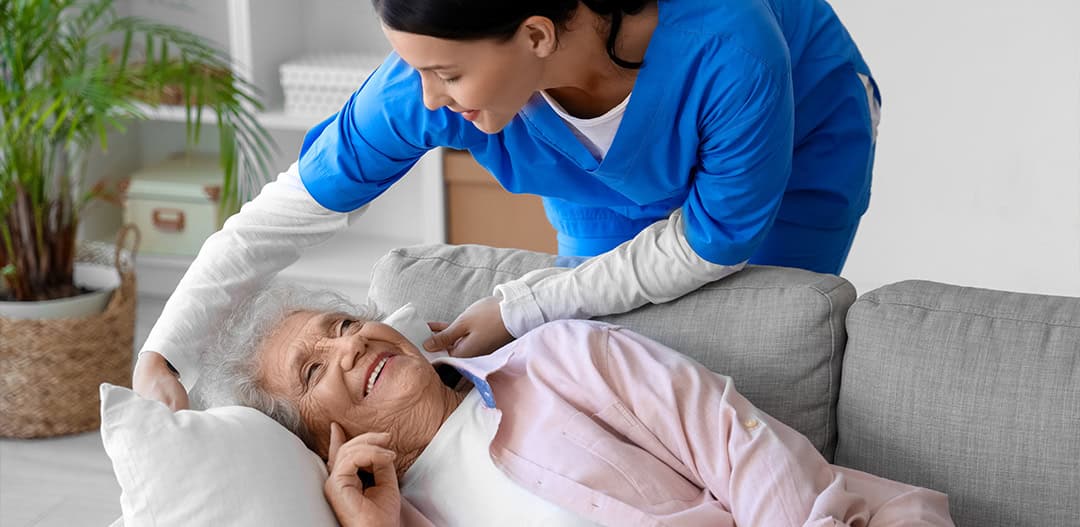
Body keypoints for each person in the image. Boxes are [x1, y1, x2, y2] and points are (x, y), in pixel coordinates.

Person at [135, 0, 881, 410]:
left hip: (798, 139)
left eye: (447, 74)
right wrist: (166, 347)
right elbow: (282, 214)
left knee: (763, 360)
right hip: (604, 180)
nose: (426, 98)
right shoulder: (426, 86)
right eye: (416, 67)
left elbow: (712, 243)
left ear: (535, 34)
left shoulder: (731, 44)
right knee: (611, 355)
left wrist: (522, 305)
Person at [202, 282, 951, 527]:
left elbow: (736, 440)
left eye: (341, 325)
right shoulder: (404, 515)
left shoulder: (558, 359)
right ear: (320, 438)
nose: (352, 344)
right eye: (313, 370)